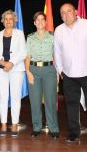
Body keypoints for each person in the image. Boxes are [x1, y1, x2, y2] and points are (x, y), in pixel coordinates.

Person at [54, 3, 87, 145]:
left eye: (69, 11)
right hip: (69, 74)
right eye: (62, 13)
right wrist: (59, 70)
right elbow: (57, 52)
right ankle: (74, 132)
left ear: (76, 12)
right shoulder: (59, 30)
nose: (66, 15)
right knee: (71, 104)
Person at [0, 9, 27, 137]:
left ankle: (15, 124)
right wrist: (3, 62)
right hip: (1, 69)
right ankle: (4, 124)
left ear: (15, 21)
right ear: (2, 21)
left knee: (16, 97)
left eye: (11, 19)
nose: (8, 21)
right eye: (6, 19)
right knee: (3, 97)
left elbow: (23, 52)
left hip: (16, 69)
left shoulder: (20, 33)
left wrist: (11, 63)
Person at [25, 11, 59, 139]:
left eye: (42, 20)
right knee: (35, 100)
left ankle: (53, 128)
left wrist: (57, 72)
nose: (40, 22)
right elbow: (27, 56)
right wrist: (27, 71)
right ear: (34, 23)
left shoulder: (52, 36)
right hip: (33, 70)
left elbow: (56, 55)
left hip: (49, 69)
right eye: (37, 20)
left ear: (45, 22)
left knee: (50, 100)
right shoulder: (29, 37)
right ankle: (36, 127)